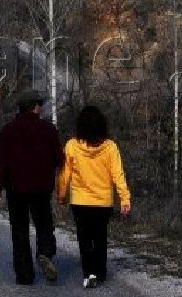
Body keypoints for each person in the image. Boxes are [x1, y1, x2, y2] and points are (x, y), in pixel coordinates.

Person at [0, 89, 63, 285]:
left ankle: (24, 275)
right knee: (44, 223)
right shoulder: (48, 129)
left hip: (16, 189)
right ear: (34, 107)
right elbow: (59, 158)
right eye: (40, 104)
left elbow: (1, 162)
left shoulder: (8, 130)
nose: (41, 107)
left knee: (19, 230)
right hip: (41, 187)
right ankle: (45, 252)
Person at [57, 105, 131, 289]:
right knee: (100, 237)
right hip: (103, 202)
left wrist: (61, 195)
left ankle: (88, 272)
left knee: (84, 238)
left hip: (80, 202)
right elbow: (118, 174)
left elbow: (65, 174)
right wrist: (125, 198)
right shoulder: (110, 147)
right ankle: (100, 272)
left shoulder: (72, 145)